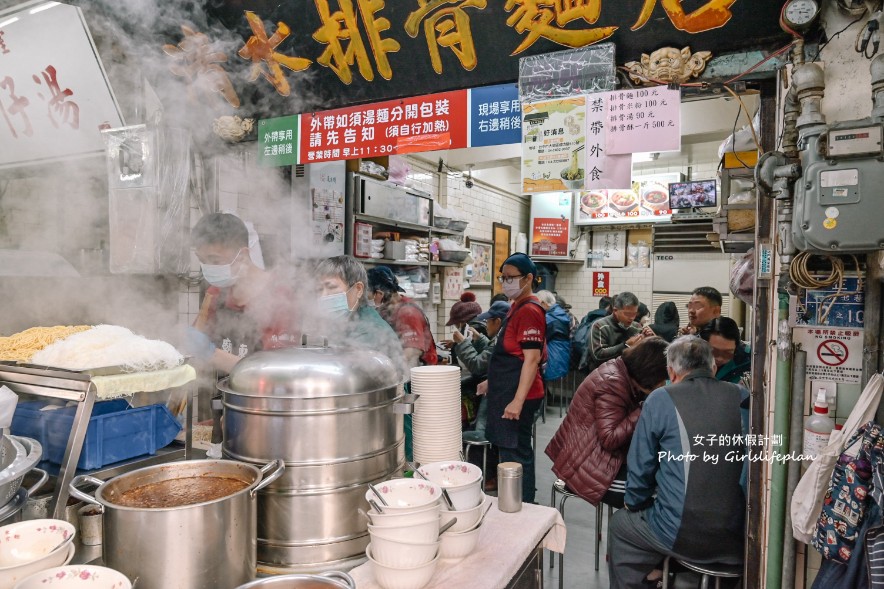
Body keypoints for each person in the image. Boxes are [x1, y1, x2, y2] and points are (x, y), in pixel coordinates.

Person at [608, 336, 748, 589]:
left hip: (683, 535)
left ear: (671, 372)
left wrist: (634, 502)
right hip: (740, 536)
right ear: (713, 367)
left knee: (622, 525)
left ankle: (650, 576)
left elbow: (641, 467)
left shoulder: (660, 399)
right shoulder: (742, 396)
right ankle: (667, 573)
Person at [545, 337, 669, 509]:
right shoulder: (613, 382)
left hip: (594, 457)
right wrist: (644, 407)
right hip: (587, 468)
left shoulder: (621, 369)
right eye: (662, 379)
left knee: (660, 478)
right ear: (650, 372)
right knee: (657, 492)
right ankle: (626, 534)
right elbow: (609, 439)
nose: (663, 384)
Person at [185, 212, 298, 374]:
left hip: (262, 398)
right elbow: (197, 340)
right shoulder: (216, 292)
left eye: (215, 261)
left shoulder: (280, 297)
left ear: (243, 255)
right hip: (221, 393)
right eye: (202, 261)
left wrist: (211, 354)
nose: (208, 267)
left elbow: (275, 372)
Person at [484, 253, 546, 504]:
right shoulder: (516, 306)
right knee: (509, 451)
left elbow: (531, 360)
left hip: (520, 396)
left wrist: (518, 402)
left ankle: (525, 506)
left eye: (511, 278)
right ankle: (514, 503)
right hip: (507, 390)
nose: (506, 282)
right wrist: (491, 381)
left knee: (516, 454)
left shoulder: (530, 310)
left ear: (529, 278)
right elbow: (512, 352)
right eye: (503, 278)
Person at [314, 255, 405, 379]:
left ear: (358, 289)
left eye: (331, 287)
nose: (323, 296)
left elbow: (347, 378)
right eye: (319, 289)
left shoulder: (370, 332)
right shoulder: (348, 320)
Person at [368, 266, 438, 370]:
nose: (368, 299)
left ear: (379, 293)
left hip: (419, 376)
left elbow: (412, 352)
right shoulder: (386, 310)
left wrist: (386, 371)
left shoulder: (407, 313)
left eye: (369, 295)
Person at [585, 292, 648, 375]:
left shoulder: (636, 327)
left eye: (634, 314)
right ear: (615, 310)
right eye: (627, 314)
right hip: (603, 377)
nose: (631, 318)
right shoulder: (600, 326)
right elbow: (598, 355)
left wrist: (648, 340)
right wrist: (625, 345)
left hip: (629, 377)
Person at [701, 316, 751, 384]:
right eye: (714, 352)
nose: (720, 358)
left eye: (727, 353)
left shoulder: (748, 359)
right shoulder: (690, 358)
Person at [536, 290, 571, 383]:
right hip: (561, 354)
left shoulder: (549, 318)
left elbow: (539, 337)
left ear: (543, 303)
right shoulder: (560, 313)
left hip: (552, 357)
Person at [573, 297, 612, 373]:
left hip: (584, 356)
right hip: (597, 360)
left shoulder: (587, 317)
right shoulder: (604, 321)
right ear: (608, 307)